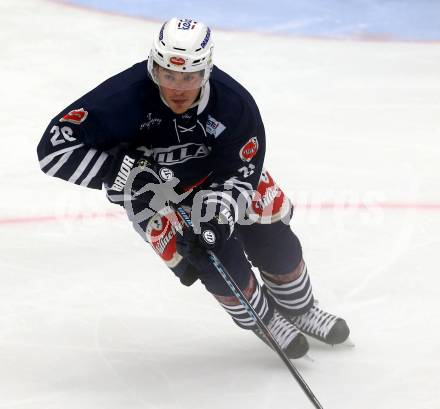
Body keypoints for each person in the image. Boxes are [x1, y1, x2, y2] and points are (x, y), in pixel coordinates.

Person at [37, 17, 350, 359]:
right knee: (215, 265)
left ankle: (300, 309)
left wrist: (219, 213)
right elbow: (54, 149)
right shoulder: (122, 98)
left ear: (206, 71)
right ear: (153, 67)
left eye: (189, 77)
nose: (178, 89)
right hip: (157, 198)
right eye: (168, 75)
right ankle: (264, 319)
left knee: (276, 243)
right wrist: (122, 174)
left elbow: (241, 169)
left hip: (220, 182)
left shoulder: (234, 104)